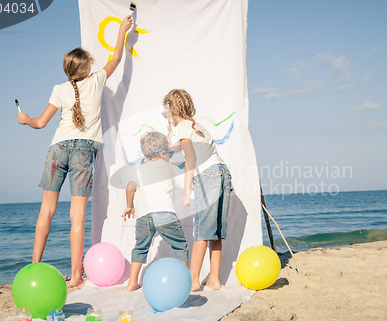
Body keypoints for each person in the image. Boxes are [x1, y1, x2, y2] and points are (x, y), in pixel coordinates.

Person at [17, 15, 133, 287]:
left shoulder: (58, 89)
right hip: (82, 151)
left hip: (57, 148)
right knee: (77, 215)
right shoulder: (97, 82)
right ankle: (77, 276)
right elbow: (117, 58)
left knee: (46, 211)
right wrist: (122, 32)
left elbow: (40, 123)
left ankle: (35, 268)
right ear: (86, 68)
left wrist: (26, 120)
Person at [163, 89, 232, 291]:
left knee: (202, 229)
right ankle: (214, 279)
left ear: (170, 110)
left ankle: (193, 280)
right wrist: (171, 149)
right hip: (222, 173)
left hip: (208, 175)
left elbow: (190, 156)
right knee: (215, 231)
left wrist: (186, 188)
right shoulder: (195, 125)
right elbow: (188, 146)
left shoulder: (182, 127)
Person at [121, 131, 189, 291]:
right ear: (163, 153)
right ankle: (183, 281)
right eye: (169, 153)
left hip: (144, 214)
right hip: (165, 212)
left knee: (140, 247)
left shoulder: (139, 170)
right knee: (180, 246)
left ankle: (132, 284)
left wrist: (129, 205)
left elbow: (130, 186)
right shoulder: (169, 168)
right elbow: (187, 183)